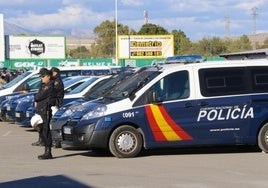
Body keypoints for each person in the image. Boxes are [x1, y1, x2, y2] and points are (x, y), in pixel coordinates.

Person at [34, 68, 54, 160]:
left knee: (46, 131)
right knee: (41, 130)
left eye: (43, 76)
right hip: (41, 110)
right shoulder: (43, 85)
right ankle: (46, 149)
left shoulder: (49, 86)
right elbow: (37, 96)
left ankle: (48, 152)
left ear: (48, 76)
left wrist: (37, 98)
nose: (41, 78)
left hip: (45, 110)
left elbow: (39, 96)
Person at [50, 67, 64, 148]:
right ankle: (54, 140)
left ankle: (57, 141)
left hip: (55, 105)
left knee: (54, 123)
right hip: (54, 104)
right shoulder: (54, 81)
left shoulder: (57, 82)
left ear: (55, 73)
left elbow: (55, 93)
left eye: (52, 73)